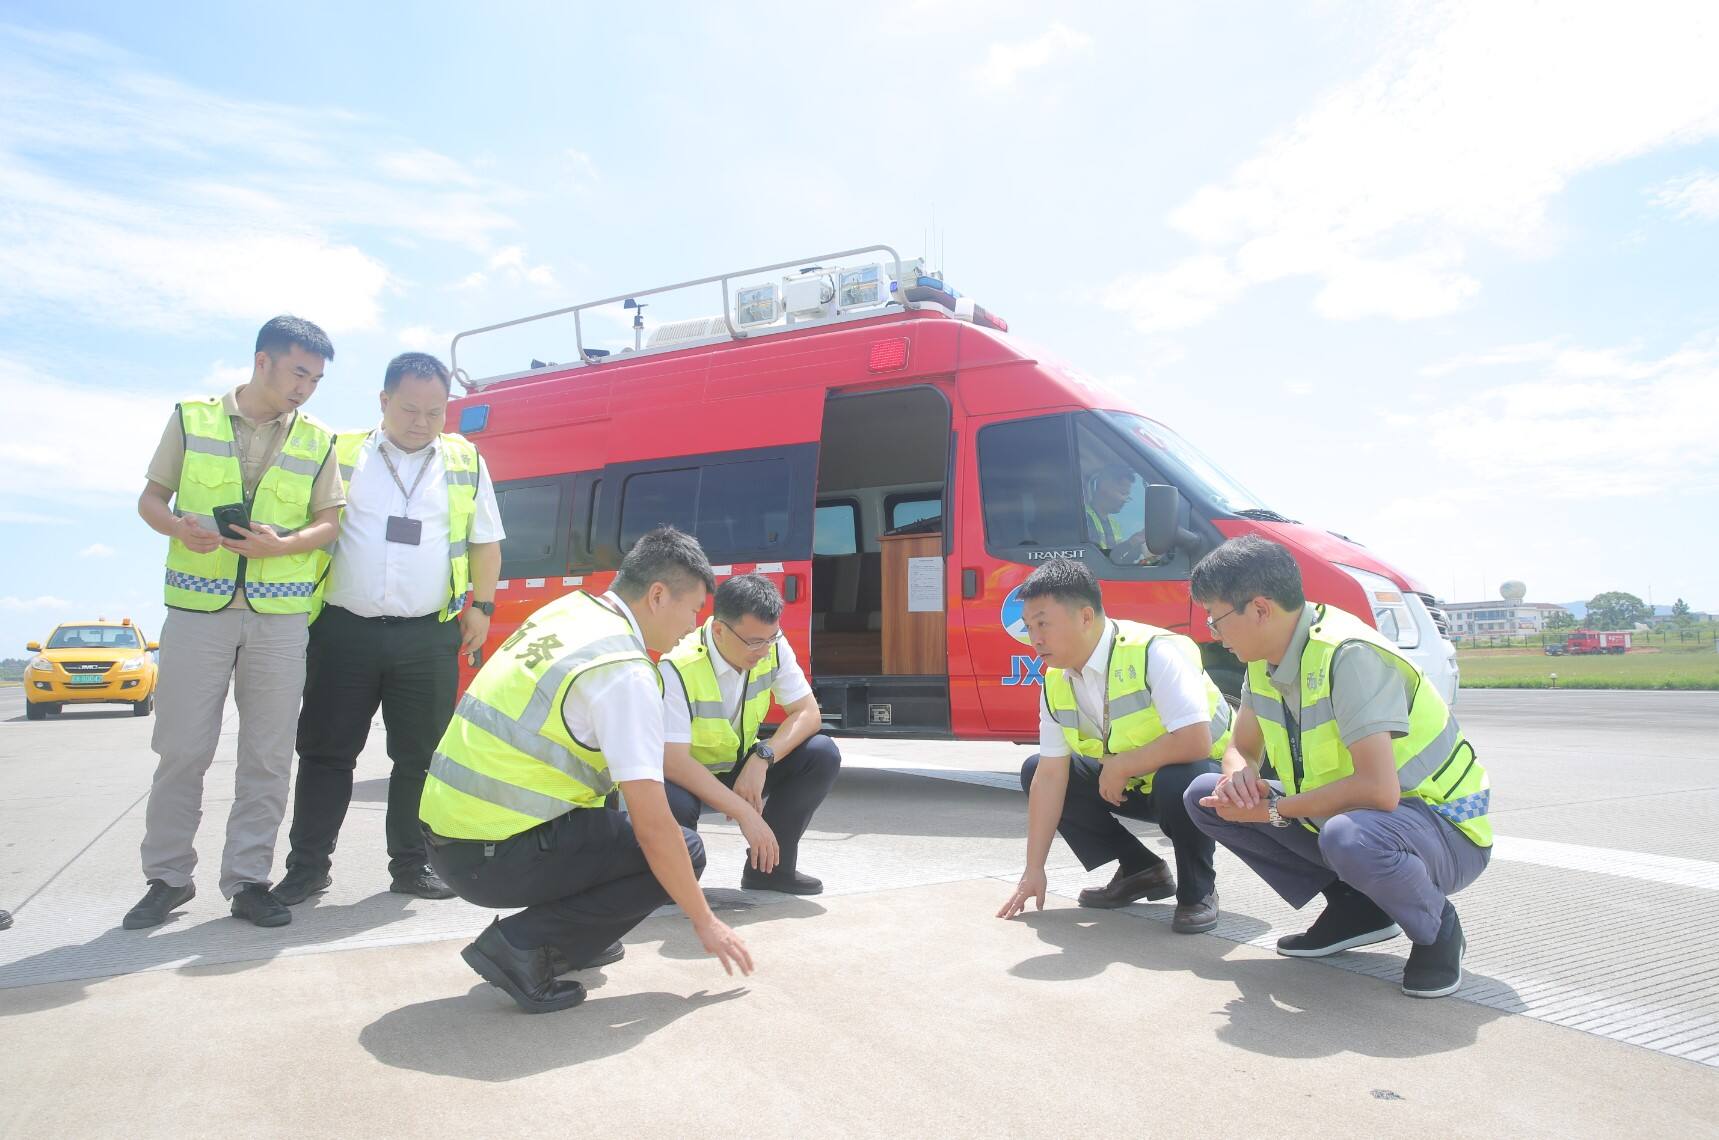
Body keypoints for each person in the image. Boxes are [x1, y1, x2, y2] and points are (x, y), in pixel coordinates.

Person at [421, 527, 753, 1013]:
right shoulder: (623, 669)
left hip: (449, 837)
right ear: (657, 596)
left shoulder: (569, 612)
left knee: (616, 819)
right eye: (693, 610)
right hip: (489, 855)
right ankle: (520, 946)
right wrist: (705, 919)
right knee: (685, 848)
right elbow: (654, 827)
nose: (692, 626)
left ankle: (571, 939)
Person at [1183, 536, 1492, 998]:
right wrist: (1237, 776)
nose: (1213, 632)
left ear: (1261, 609)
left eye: (1216, 617)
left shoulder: (1349, 656)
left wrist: (1273, 809)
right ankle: (1358, 908)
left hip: (1444, 826)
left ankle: (1436, 927)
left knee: (1348, 836)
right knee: (1204, 795)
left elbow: (1378, 789)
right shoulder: (1264, 661)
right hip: (1363, 818)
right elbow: (1241, 746)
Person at [126, 316, 343, 930]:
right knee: (181, 751)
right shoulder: (192, 418)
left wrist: (284, 544)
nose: (305, 388)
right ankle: (168, 879)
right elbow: (150, 500)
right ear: (261, 361)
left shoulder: (319, 439)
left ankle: (249, 880)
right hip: (198, 613)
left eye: (316, 379)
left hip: (280, 620)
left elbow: (330, 522)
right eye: (298, 372)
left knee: (267, 758)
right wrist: (179, 529)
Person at [274, 352, 504, 906]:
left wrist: (483, 606)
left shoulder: (465, 461)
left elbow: (485, 541)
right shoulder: (342, 451)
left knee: (420, 757)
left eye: (435, 412)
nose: (422, 422)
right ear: (383, 401)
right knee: (326, 754)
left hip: (426, 635)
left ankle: (412, 865)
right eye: (409, 409)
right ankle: (307, 868)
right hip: (343, 631)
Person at [998, 558, 1235, 933]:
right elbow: (1050, 776)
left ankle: (1199, 890)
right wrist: (1033, 869)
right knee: (1034, 769)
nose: (1035, 638)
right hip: (1135, 784)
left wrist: (1123, 765)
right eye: (1029, 627)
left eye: (1043, 624)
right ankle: (1141, 870)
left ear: (1085, 617)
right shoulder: (1055, 681)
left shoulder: (1154, 651)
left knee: (1180, 779)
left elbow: (1195, 740)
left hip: (1218, 783)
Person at [661, 573, 841, 895]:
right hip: (687, 778)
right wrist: (744, 812)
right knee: (667, 794)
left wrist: (762, 757)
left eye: (771, 638)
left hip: (740, 768)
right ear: (719, 630)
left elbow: (808, 713)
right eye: (755, 642)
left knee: (821, 753)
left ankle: (769, 871)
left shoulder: (773, 646)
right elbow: (673, 762)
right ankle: (672, 881)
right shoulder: (677, 667)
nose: (764, 650)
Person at [1084, 464, 1155, 566]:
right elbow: (1097, 561)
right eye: (1123, 493)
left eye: (1127, 496)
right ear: (1104, 487)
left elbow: (1116, 562)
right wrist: (1130, 543)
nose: (1125, 500)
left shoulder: (1114, 524)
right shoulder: (1084, 520)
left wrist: (1136, 547)